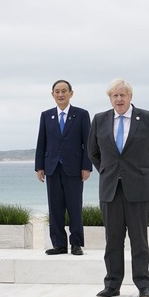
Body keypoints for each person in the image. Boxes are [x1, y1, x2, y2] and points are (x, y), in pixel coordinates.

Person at [88, 79, 149, 297]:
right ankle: (112, 284)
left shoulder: (148, 118)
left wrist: (142, 172)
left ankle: (143, 285)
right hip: (110, 188)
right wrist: (108, 171)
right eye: (115, 96)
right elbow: (93, 152)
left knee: (139, 240)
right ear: (110, 98)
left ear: (130, 97)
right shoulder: (100, 120)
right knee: (112, 240)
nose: (119, 99)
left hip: (139, 189)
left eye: (123, 95)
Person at [34, 80, 92, 256]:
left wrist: (86, 166)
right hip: (52, 167)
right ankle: (59, 244)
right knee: (55, 208)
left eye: (64, 91)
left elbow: (87, 143)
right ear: (52, 94)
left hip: (74, 168)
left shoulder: (81, 115)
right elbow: (41, 142)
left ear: (71, 93)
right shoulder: (46, 115)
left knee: (75, 207)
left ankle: (76, 244)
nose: (60, 94)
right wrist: (39, 167)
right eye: (57, 91)